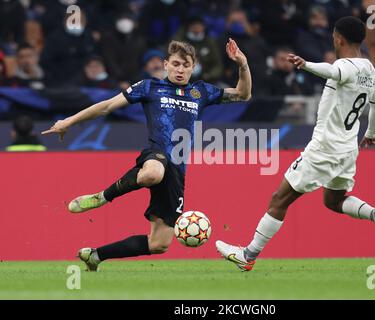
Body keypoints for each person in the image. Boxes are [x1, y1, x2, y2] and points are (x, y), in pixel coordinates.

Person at [42, 39, 252, 271]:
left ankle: (96, 256)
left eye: (186, 65)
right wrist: (68, 122)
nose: (180, 69)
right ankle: (102, 196)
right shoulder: (149, 87)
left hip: (177, 171)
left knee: (159, 244)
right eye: (175, 64)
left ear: (193, 67)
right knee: (152, 173)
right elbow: (106, 106)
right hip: (157, 153)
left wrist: (242, 64)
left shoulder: (200, 92)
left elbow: (243, 94)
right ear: (166, 64)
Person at [216, 17, 375, 272]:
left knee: (279, 199)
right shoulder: (369, 69)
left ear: (338, 38)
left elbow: (333, 71)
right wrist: (371, 133)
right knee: (334, 201)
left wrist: (305, 65)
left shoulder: (344, 65)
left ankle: (248, 256)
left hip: (325, 147)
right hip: (347, 150)